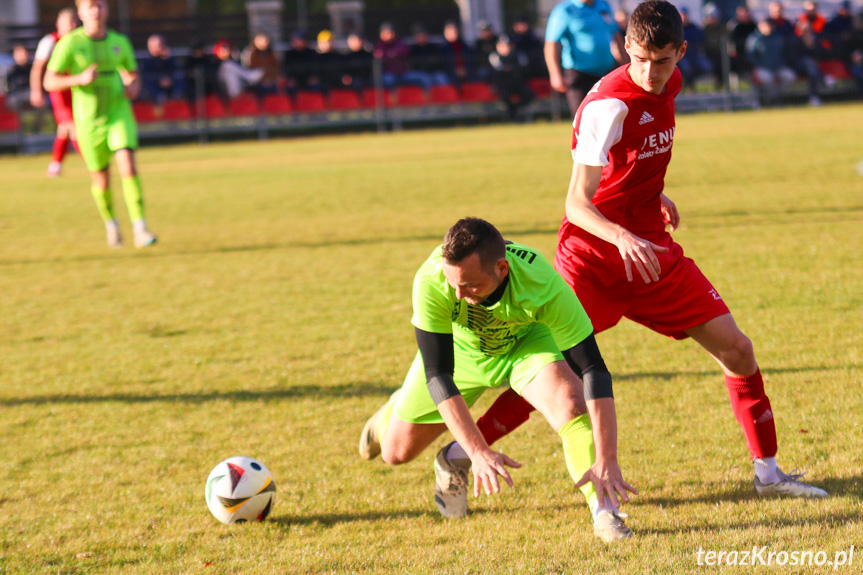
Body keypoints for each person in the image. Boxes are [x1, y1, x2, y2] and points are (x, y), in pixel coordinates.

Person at [470, 0, 829, 504]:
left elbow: (631, 159)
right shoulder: (606, 105)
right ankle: (464, 452)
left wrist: (650, 194)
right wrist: (619, 233)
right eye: (640, 58)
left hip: (652, 256)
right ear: (625, 49)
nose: (650, 72)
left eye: (662, 60)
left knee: (738, 349)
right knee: (558, 382)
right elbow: (576, 202)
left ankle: (769, 473)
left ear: (681, 52)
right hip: (592, 262)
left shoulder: (672, 83)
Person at [359, 217, 637, 543]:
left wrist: (607, 457)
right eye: (454, 285)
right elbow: (438, 374)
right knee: (395, 453)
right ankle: (393, 411)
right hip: (459, 354)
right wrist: (477, 451)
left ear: (502, 269)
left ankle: (604, 512)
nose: (459, 295)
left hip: (526, 345)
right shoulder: (432, 280)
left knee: (572, 406)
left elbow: (594, 369)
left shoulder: (542, 284)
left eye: (471, 285)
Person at [44, 0, 156, 249]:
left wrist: (133, 86)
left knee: (128, 164)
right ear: (81, 12)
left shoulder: (119, 41)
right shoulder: (71, 43)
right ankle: (112, 225)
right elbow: (49, 81)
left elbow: (132, 72)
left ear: (107, 10)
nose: (96, 10)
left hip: (118, 112)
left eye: (101, 5)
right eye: (91, 6)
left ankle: (140, 228)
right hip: (88, 121)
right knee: (101, 180)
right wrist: (79, 78)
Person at [544, 0, 626, 119]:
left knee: (610, 118)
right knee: (582, 119)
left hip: (606, 73)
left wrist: (626, 64)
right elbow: (551, 44)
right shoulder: (565, 10)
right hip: (579, 74)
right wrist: (555, 74)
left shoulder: (603, 5)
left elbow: (616, 35)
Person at [30, 7, 79, 178]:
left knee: (64, 129)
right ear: (59, 23)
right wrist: (36, 91)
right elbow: (38, 68)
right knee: (73, 125)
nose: (72, 26)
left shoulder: (78, 40)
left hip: (76, 89)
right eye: (68, 22)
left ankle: (55, 165)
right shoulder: (50, 41)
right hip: (59, 91)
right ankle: (91, 161)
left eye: (75, 22)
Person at [746, 19, 797, 105]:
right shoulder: (755, 39)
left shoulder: (778, 37)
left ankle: (781, 97)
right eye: (765, 26)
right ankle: (771, 100)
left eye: (769, 26)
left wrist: (782, 63)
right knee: (768, 79)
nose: (768, 28)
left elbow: (785, 52)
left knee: (790, 76)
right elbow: (751, 56)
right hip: (763, 67)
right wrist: (760, 64)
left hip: (779, 67)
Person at [489, 35, 535, 120]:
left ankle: (518, 112)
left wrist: (510, 69)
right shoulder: (494, 56)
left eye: (508, 45)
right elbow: (498, 71)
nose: (506, 48)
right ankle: (512, 117)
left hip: (518, 83)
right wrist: (512, 69)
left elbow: (525, 69)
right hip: (503, 85)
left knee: (529, 95)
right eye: (503, 45)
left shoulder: (518, 54)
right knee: (504, 97)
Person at [139, 34, 184, 104]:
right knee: (147, 80)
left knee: (179, 75)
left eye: (161, 44)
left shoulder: (168, 56)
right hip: (154, 83)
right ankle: (158, 97)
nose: (160, 47)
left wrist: (166, 58)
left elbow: (174, 69)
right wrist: (159, 80)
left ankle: (177, 97)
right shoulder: (146, 59)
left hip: (168, 80)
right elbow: (146, 74)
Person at [678, 6, 713, 90]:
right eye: (682, 15)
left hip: (694, 55)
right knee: (687, 68)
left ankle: (691, 80)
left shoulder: (694, 27)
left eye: (685, 15)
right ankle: (688, 84)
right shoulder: (676, 28)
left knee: (707, 67)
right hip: (682, 56)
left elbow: (701, 37)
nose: (684, 17)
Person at [242, 33, 281, 98]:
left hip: (271, 81)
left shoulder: (272, 54)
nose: (263, 43)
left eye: (264, 41)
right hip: (258, 82)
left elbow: (276, 68)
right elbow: (251, 71)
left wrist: (269, 79)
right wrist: (263, 80)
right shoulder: (253, 55)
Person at [373, 22, 411, 90]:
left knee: (422, 78)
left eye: (389, 33)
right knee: (388, 80)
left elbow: (406, 51)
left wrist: (393, 53)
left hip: (403, 72)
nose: (387, 35)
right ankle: (393, 97)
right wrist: (391, 54)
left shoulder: (399, 42)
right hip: (387, 73)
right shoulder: (379, 45)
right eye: (384, 33)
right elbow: (380, 56)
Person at [727, 5, 758, 79]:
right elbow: (729, 41)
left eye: (746, 13)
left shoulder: (753, 25)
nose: (745, 15)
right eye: (742, 14)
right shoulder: (734, 26)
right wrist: (732, 50)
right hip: (737, 53)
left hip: (750, 52)